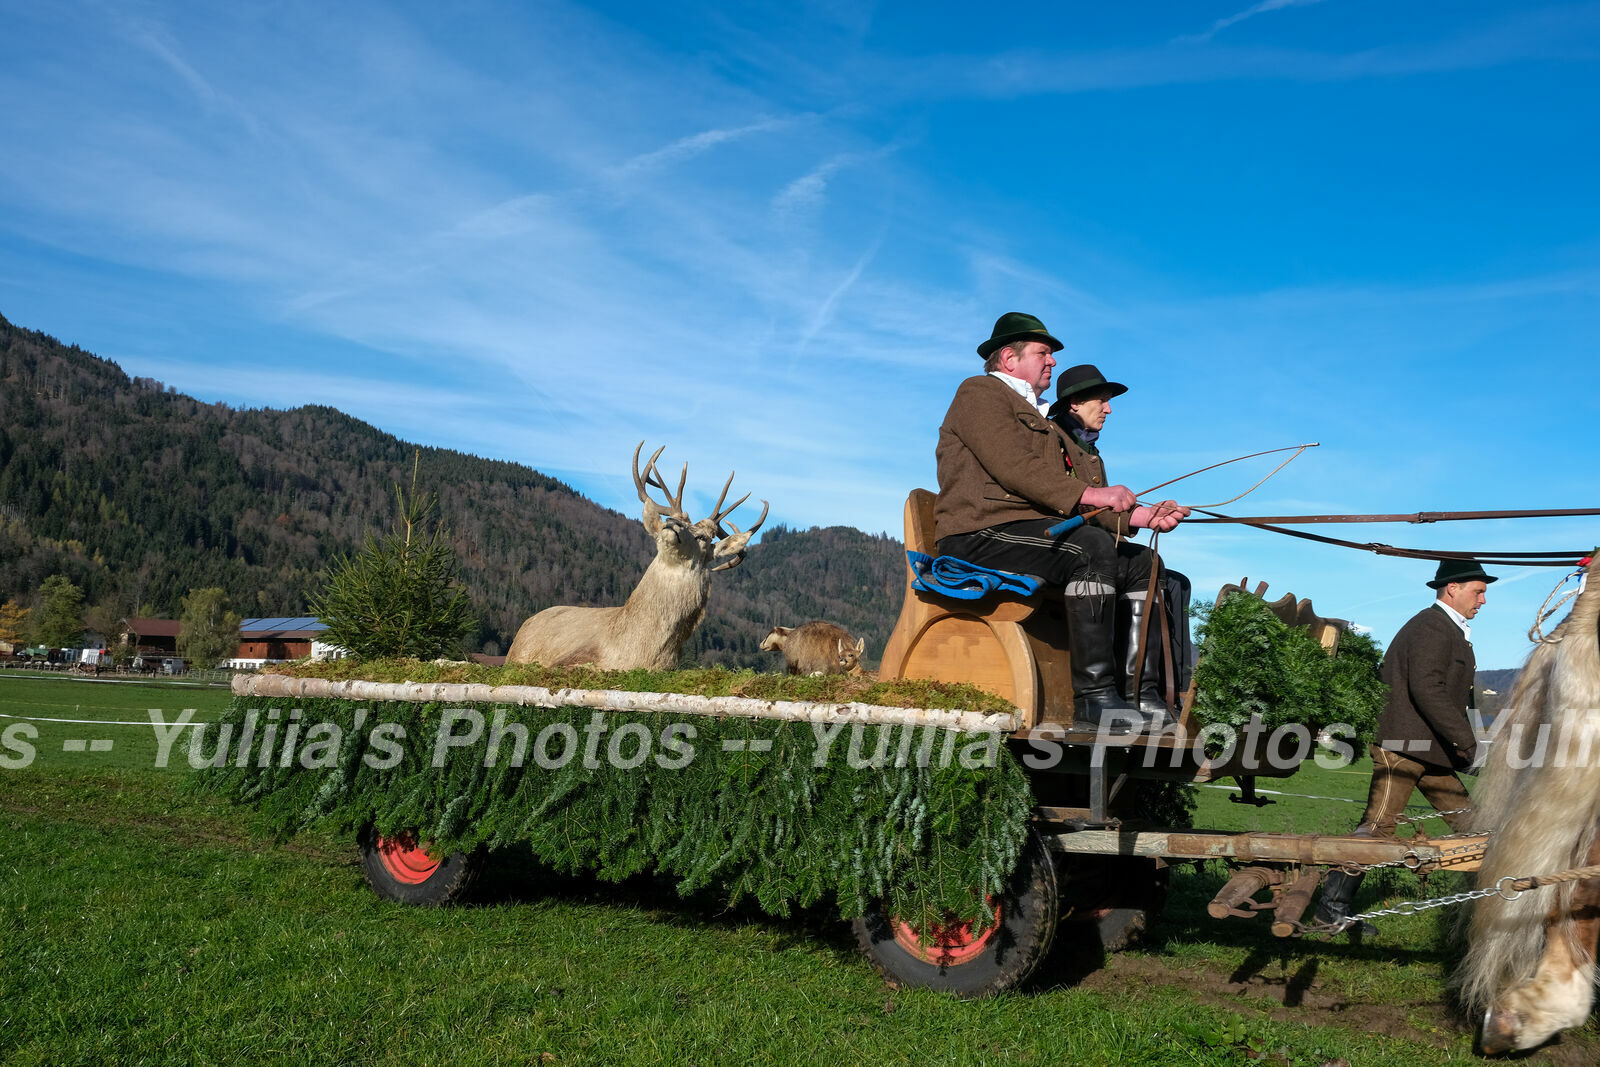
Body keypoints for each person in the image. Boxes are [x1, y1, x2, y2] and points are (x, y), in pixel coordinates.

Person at [933, 311, 1187, 729]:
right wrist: (1091, 493)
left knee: (1144, 563)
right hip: (979, 532)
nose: (1052, 361)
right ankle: (1092, 699)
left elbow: (1072, 499)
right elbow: (1013, 465)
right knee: (1088, 548)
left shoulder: (1041, 418)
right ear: (1009, 360)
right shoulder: (979, 393)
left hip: (1027, 533)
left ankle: (1142, 696)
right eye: (1043, 353)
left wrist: (1143, 515)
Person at [1313, 558, 1494, 932]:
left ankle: (1494, 907)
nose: (1483, 600)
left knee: (1474, 826)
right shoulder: (1432, 627)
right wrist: (1467, 743)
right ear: (1452, 588)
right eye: (1478, 591)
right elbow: (1428, 689)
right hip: (1404, 749)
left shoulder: (1449, 628)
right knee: (1377, 831)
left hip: (1428, 750)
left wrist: (1460, 744)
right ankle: (1330, 911)